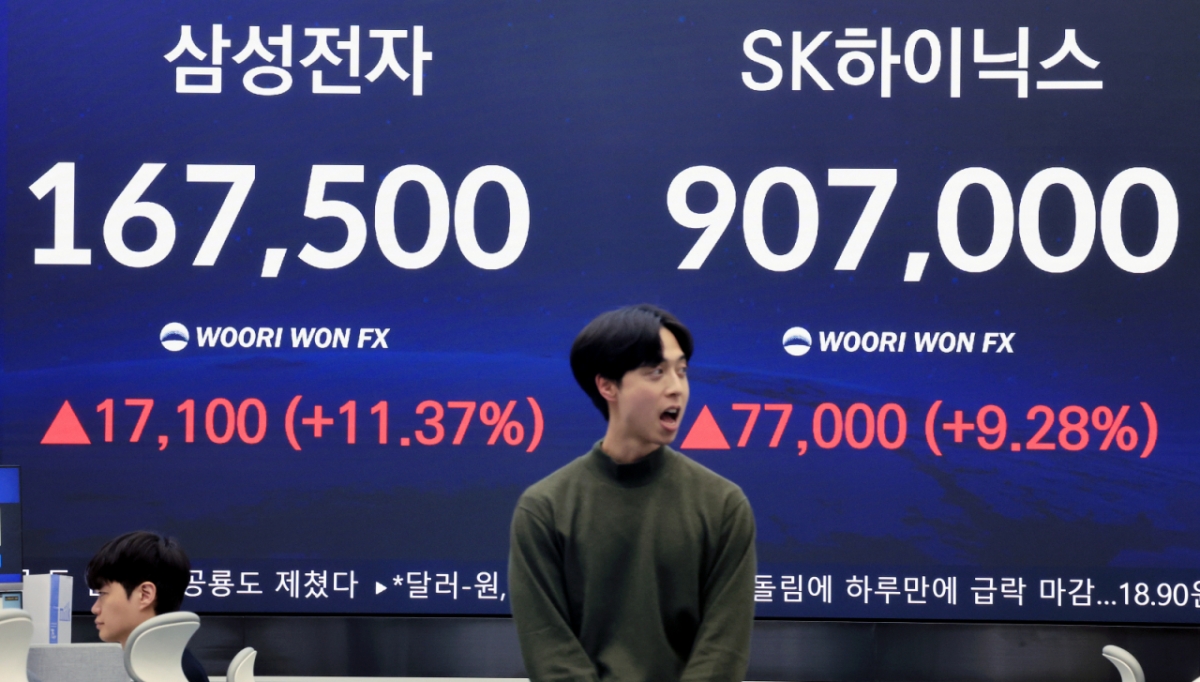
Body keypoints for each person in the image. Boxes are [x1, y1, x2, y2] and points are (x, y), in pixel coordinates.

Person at [509, 304, 757, 681]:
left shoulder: (723, 505)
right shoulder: (544, 509)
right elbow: (549, 650)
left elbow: (723, 651)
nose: (676, 387)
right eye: (656, 372)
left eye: (681, 371)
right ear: (607, 385)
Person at [86, 531, 207, 682]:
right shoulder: (174, 666)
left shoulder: (165, 675)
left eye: (103, 594)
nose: (95, 608)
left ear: (145, 595)